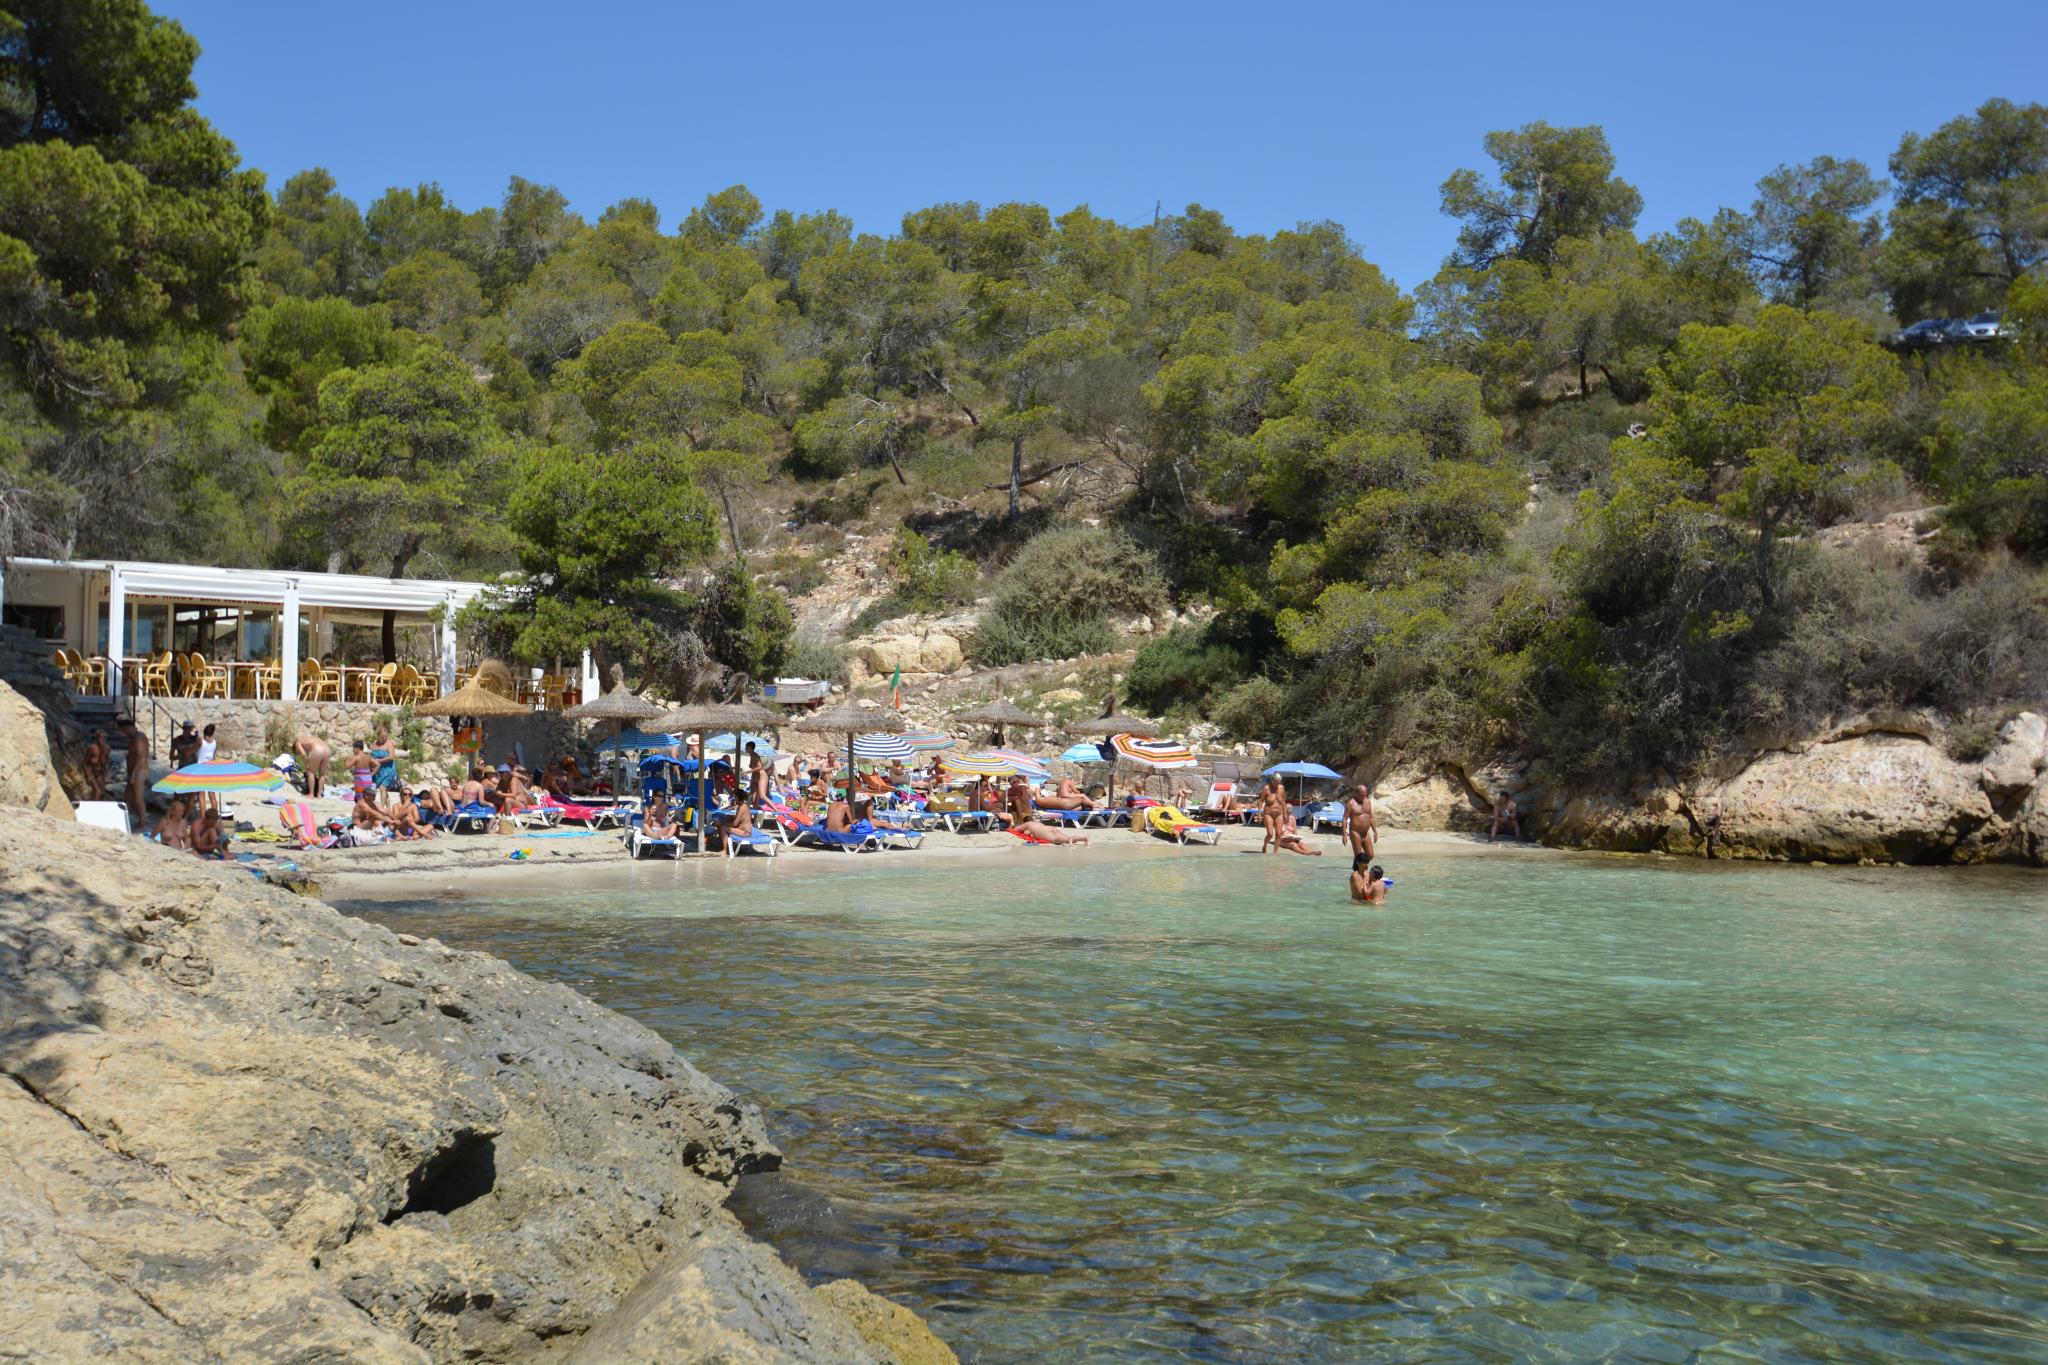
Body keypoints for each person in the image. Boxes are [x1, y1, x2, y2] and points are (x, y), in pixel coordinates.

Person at [118, 716, 150, 830]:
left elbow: (141, 757)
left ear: (129, 727)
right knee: (128, 796)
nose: (124, 733)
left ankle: (142, 822)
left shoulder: (138, 737)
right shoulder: (133, 739)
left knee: (137, 797)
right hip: (135, 771)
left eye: (124, 730)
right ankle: (142, 816)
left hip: (139, 771)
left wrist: (133, 774)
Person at [1341, 784, 1378, 860]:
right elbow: (1344, 819)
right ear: (1356, 793)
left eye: (1365, 795)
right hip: (1355, 832)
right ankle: (1358, 871)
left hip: (1365, 832)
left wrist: (1375, 831)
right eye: (1361, 795)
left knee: (1370, 855)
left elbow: (1370, 817)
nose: (1363, 797)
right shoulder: (1351, 804)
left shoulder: (1367, 802)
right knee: (1359, 856)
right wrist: (1344, 835)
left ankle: (1361, 868)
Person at [1258, 774, 1287, 853]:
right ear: (1272, 780)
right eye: (1276, 782)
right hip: (1268, 813)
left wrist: (1285, 813)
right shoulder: (1266, 788)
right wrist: (1259, 813)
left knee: (1278, 833)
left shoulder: (1281, 788)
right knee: (1270, 834)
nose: (1277, 784)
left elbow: (1283, 801)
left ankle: (1275, 853)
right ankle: (1264, 846)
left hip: (1279, 814)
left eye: (1279, 782)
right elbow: (1260, 801)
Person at [370, 724, 398, 791]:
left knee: (383, 788)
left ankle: (383, 802)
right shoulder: (374, 743)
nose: (384, 738)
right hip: (378, 770)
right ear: (378, 736)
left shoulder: (389, 743)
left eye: (386, 736)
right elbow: (372, 755)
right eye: (382, 737)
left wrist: (378, 761)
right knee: (382, 789)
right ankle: (385, 801)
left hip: (388, 770)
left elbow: (391, 757)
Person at [84, 729, 110, 801]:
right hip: (91, 772)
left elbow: (106, 763)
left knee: (102, 794)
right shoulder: (92, 748)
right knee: (98, 792)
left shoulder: (107, 748)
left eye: (104, 737)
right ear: (97, 738)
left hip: (100, 773)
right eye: (100, 737)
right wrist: (87, 775)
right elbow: (84, 762)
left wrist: (106, 775)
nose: (102, 739)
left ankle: (92, 804)